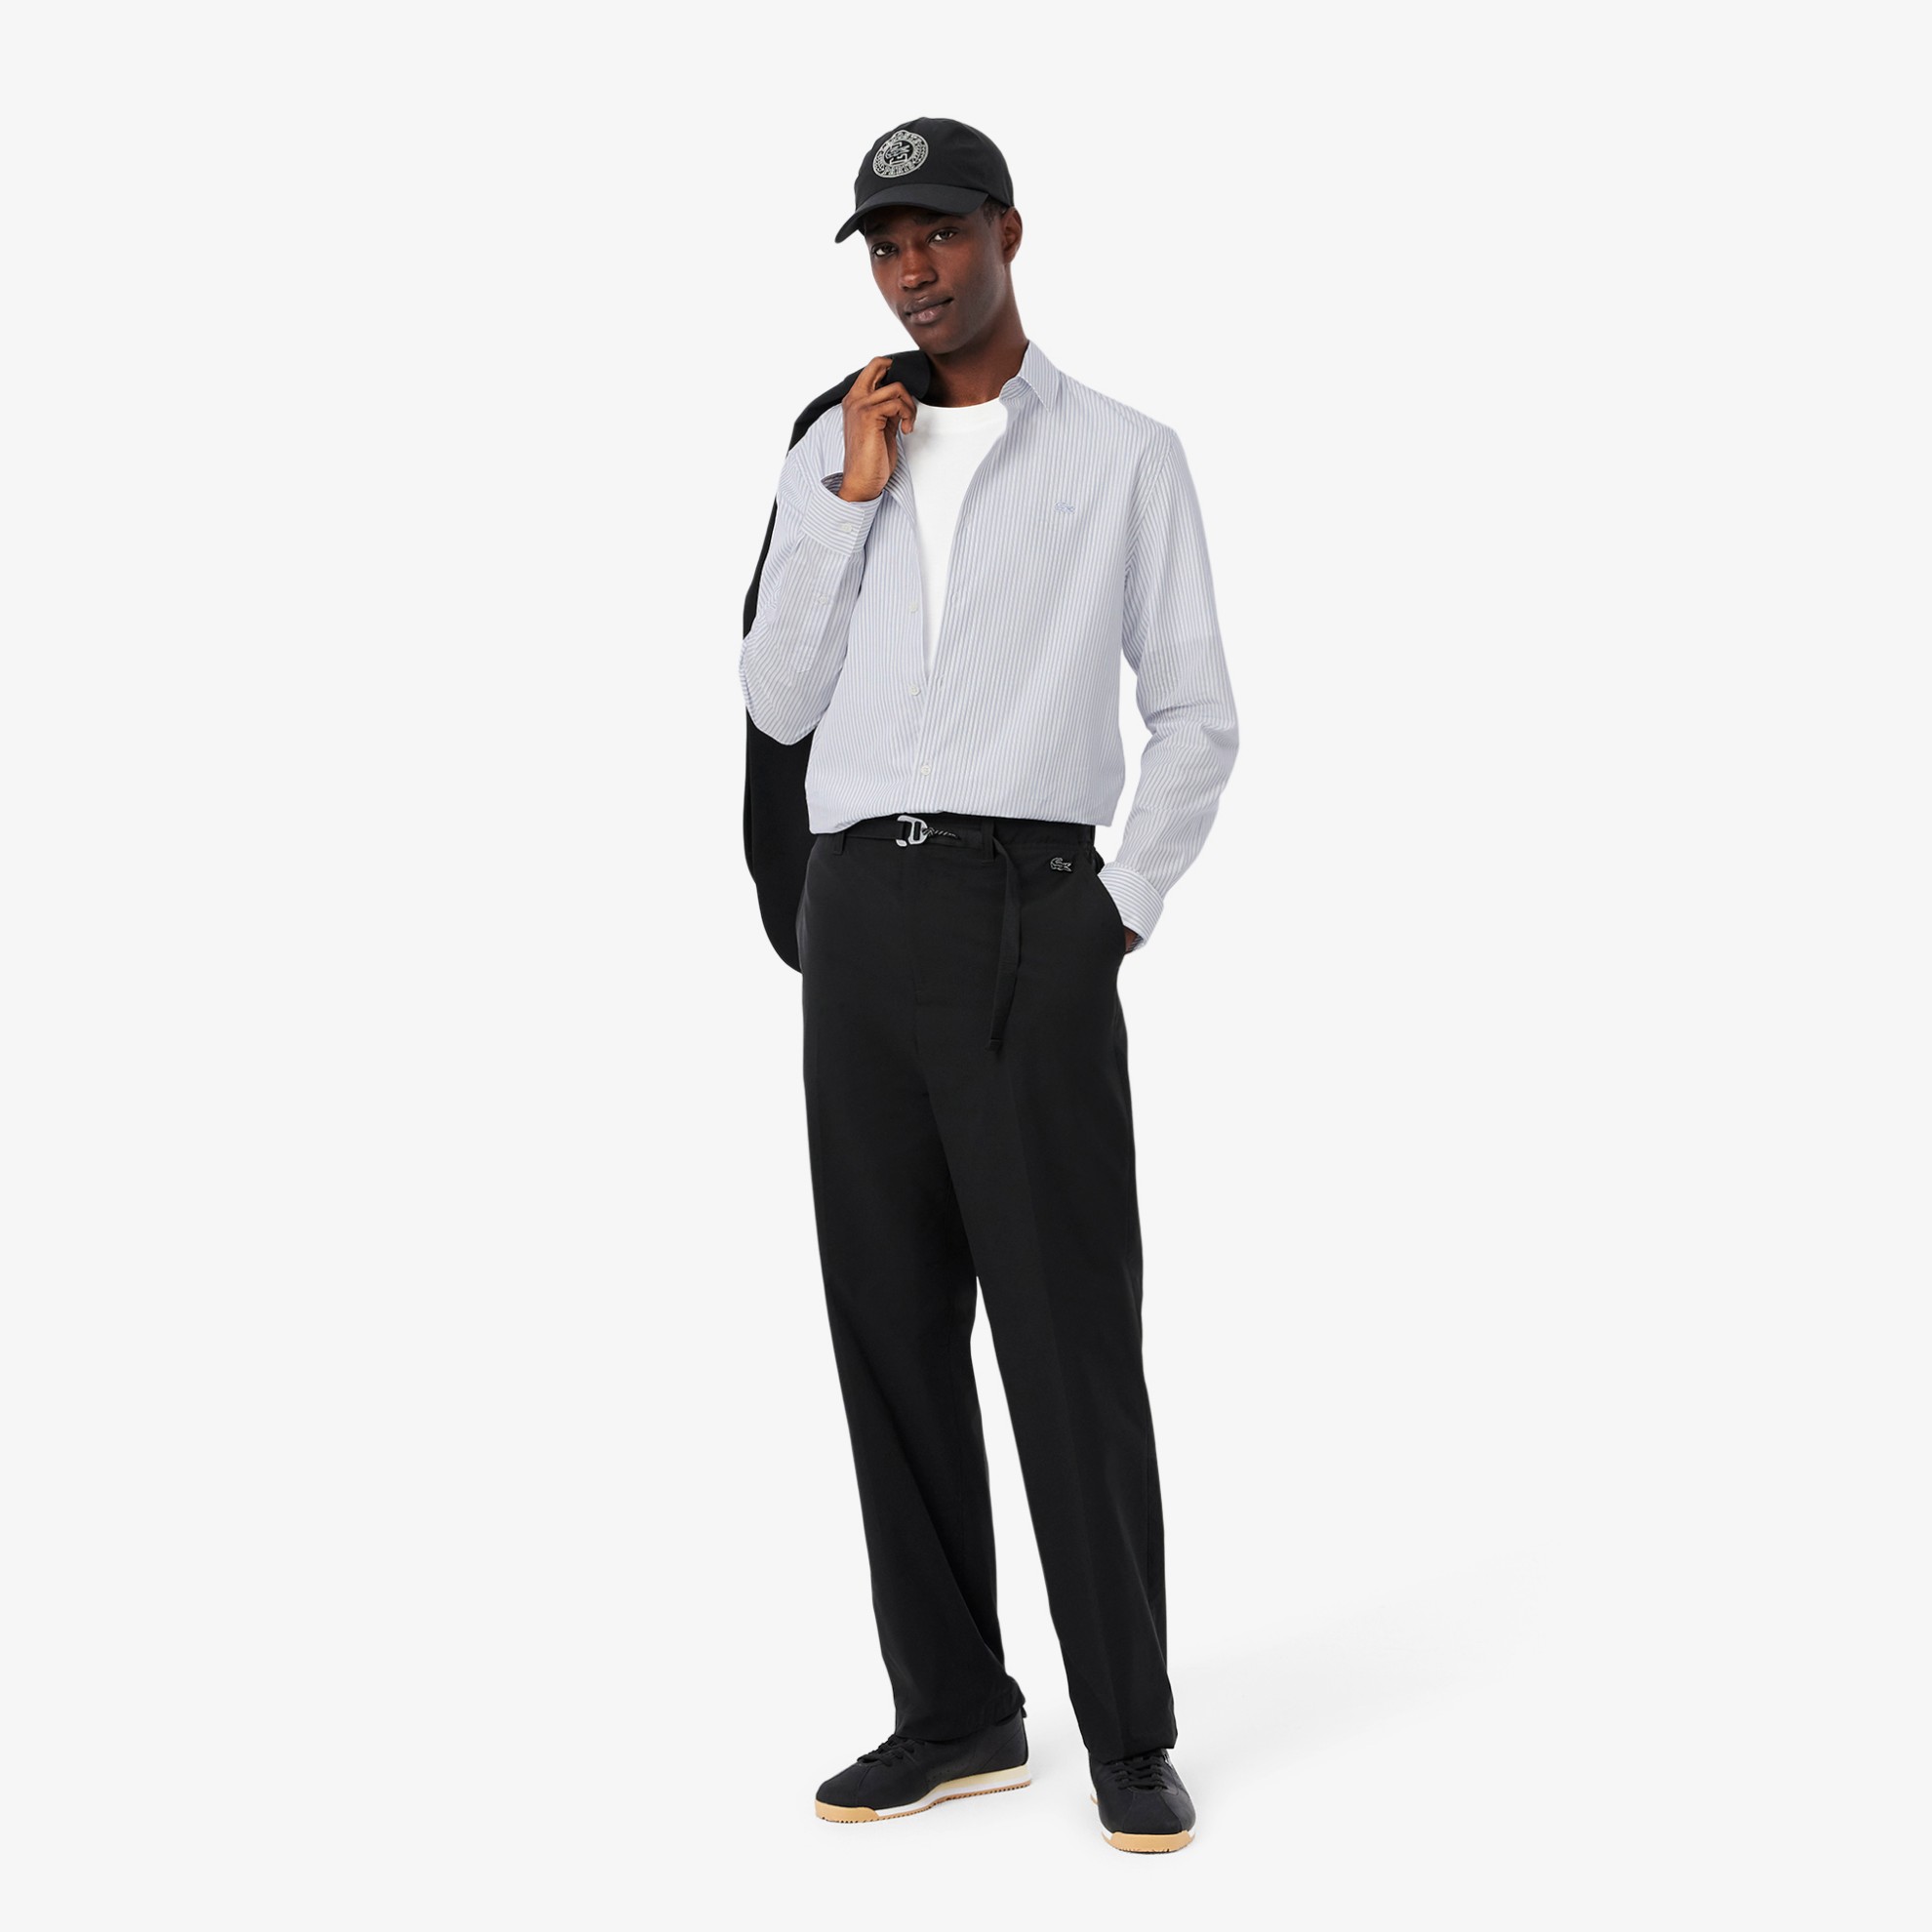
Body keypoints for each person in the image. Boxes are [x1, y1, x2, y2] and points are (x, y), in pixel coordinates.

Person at [737, 116, 1238, 1855]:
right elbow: (776, 699)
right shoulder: (834, 445)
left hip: (1034, 914)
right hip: (860, 918)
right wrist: (843, 501)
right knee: (889, 1330)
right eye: (887, 248)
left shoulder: (1123, 456)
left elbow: (1197, 713)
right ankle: (955, 1713)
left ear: (1007, 233)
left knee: (1067, 1333)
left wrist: (1119, 908)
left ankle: (1128, 1730)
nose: (914, 272)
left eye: (940, 235)